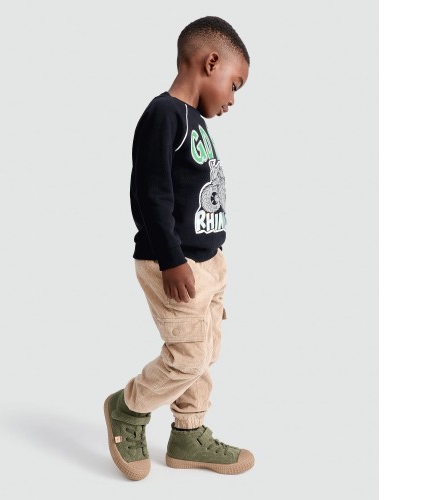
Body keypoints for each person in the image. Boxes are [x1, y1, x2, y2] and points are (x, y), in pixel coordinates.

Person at [104, 15, 252, 480]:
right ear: (211, 62)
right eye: (234, 85)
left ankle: (188, 432)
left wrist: (212, 263)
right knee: (186, 356)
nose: (232, 99)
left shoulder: (194, 121)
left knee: (203, 352)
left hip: (208, 261)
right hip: (174, 261)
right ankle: (128, 408)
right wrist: (172, 259)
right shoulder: (165, 114)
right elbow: (151, 193)